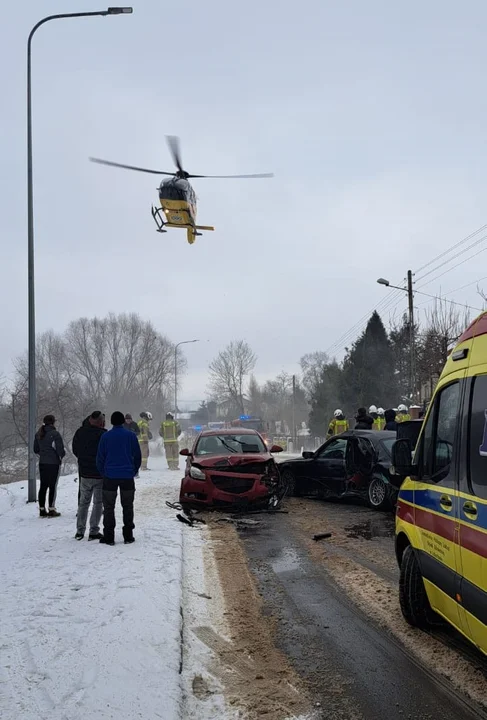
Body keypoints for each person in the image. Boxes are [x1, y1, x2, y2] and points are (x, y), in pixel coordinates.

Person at [96, 411, 141, 546]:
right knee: (127, 506)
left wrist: (104, 473)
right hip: (127, 476)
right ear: (123, 421)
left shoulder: (105, 437)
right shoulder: (131, 436)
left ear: (111, 422)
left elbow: (100, 458)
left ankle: (109, 536)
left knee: (109, 507)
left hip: (110, 477)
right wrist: (133, 470)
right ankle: (128, 535)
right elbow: (137, 456)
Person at [72, 410, 106, 541]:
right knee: (98, 503)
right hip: (99, 474)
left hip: (85, 473)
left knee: (83, 503)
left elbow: (75, 450)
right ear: (100, 422)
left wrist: (83, 460)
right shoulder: (103, 435)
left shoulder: (80, 432)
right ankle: (93, 531)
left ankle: (80, 531)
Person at [34, 414, 65, 517]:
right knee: (52, 486)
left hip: (42, 463)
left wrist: (43, 454)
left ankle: (42, 509)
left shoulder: (38, 434)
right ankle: (51, 509)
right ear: (53, 422)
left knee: (43, 486)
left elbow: (35, 449)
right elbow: (60, 450)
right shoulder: (55, 434)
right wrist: (60, 456)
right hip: (53, 463)